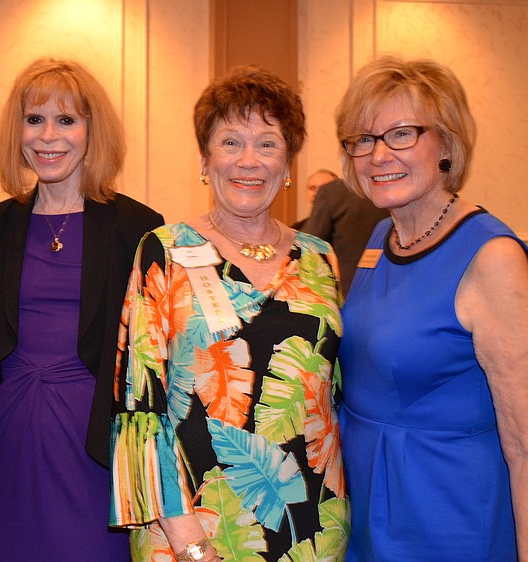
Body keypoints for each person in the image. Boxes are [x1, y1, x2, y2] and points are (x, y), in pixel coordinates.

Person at [110, 66, 348, 562]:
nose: (248, 161)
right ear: (205, 158)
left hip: (312, 522)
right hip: (193, 524)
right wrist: (187, 538)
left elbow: (334, 396)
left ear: (288, 165)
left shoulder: (321, 258)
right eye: (230, 142)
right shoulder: (164, 251)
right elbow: (139, 406)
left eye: (268, 144)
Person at [0, 58, 163, 561]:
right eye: (34, 119)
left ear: (93, 131)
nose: (49, 136)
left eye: (67, 120)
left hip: (97, 435)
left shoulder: (138, 228)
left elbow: (158, 349)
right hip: (12, 429)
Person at [335, 56, 528, 561]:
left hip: (446, 515)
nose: (378, 155)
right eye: (363, 139)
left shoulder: (492, 258)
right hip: (370, 504)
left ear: (446, 143)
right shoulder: (384, 235)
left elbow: (525, 442)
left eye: (401, 134)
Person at [300, 178, 388, 296]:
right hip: (391, 286)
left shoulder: (333, 193)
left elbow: (309, 247)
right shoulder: (395, 188)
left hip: (346, 291)